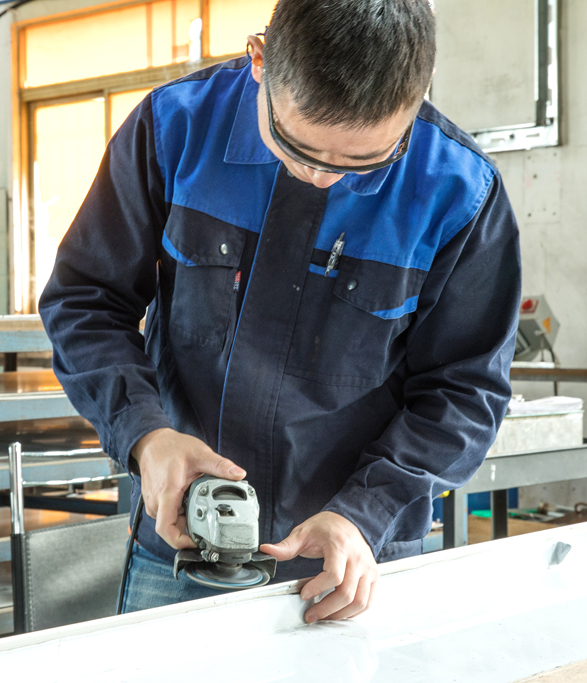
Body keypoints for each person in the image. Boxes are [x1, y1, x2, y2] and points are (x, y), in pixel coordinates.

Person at [40, 0, 521, 623]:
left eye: (363, 162)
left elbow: (465, 388)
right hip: (181, 548)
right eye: (296, 147)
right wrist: (145, 434)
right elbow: (85, 300)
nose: (322, 178)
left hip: (350, 566)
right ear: (260, 60)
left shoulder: (460, 193)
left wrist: (367, 512)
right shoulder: (173, 128)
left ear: (418, 95)